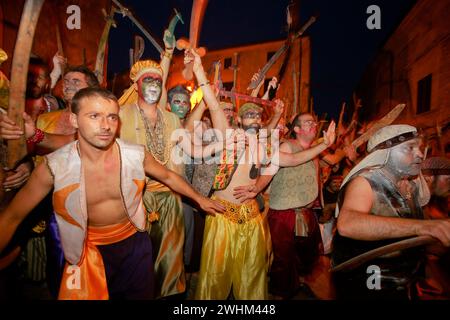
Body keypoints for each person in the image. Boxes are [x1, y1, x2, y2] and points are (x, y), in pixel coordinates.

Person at [0, 87, 225, 300]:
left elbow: (167, 176)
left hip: (134, 245)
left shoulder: (134, 154)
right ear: (74, 120)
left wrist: (199, 199)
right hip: (86, 250)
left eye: (112, 117)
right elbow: (12, 217)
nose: (106, 125)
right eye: (94, 116)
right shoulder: (54, 167)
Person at [332, 125, 450, 300]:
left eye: (419, 147)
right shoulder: (364, 182)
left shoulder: (412, 186)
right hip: (368, 283)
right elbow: (348, 224)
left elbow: (412, 236)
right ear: (386, 152)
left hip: (405, 282)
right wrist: (424, 227)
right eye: (410, 148)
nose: (419, 154)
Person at [416, 156, 450, 299]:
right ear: (429, 179)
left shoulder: (443, 202)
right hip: (432, 276)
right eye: (448, 180)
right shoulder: (417, 207)